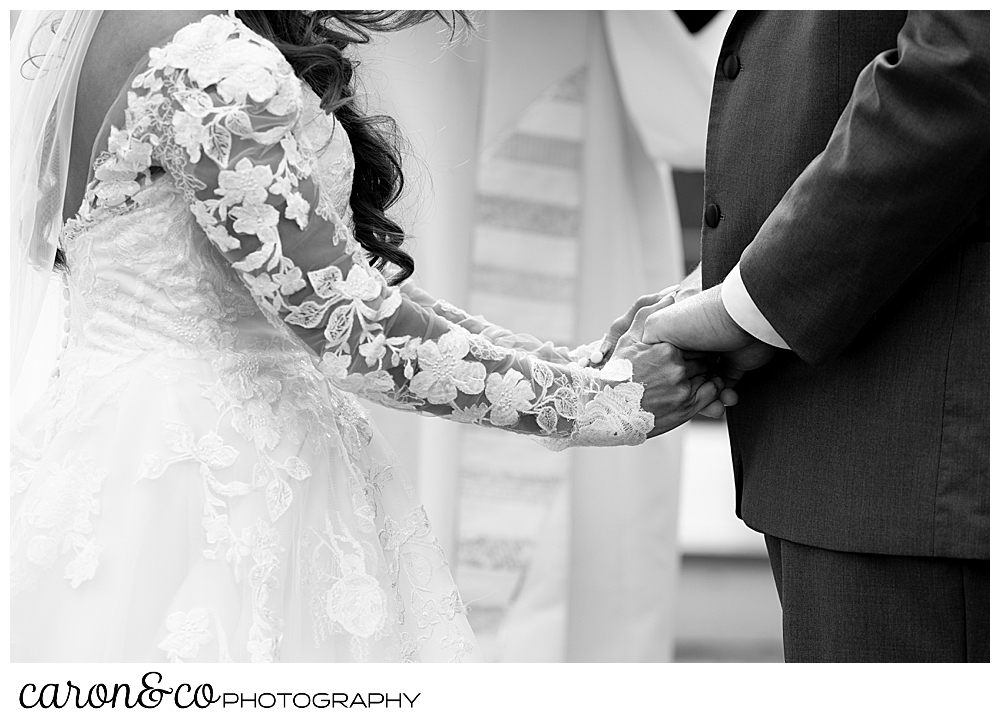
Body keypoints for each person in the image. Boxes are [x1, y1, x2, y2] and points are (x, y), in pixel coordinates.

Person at [9, 10, 725, 663]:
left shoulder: (75, 45)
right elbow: (354, 330)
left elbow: (327, 283)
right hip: (225, 477)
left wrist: (567, 363)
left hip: (102, 448)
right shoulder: (214, 63)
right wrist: (599, 402)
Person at [632, 10, 988, 662]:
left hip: (915, 449)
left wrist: (753, 300)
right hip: (865, 450)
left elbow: (964, 64)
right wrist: (739, 279)